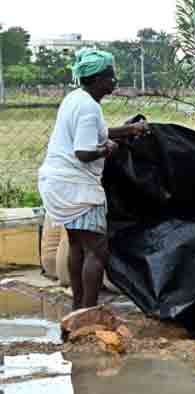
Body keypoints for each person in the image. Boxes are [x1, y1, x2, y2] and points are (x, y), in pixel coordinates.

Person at [37, 48, 148, 310]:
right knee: (97, 251)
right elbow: (84, 152)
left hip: (56, 183)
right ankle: (89, 312)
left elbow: (94, 132)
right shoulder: (89, 108)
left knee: (77, 245)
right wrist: (108, 148)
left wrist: (129, 130)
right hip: (78, 188)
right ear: (97, 79)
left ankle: (78, 309)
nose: (114, 82)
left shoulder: (75, 99)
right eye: (111, 77)